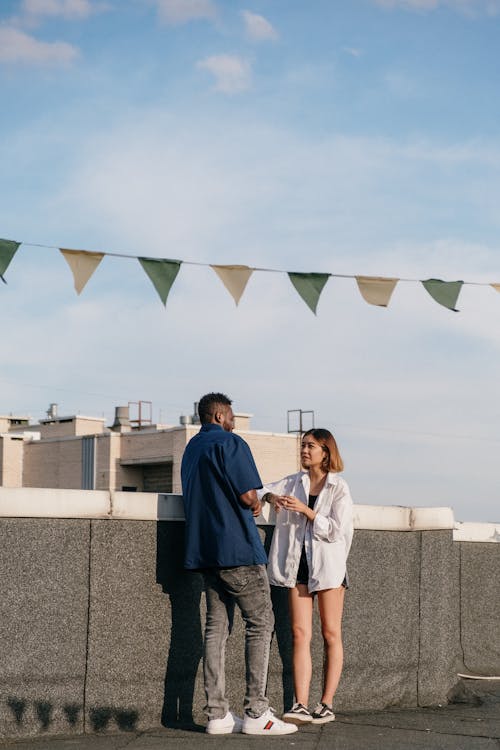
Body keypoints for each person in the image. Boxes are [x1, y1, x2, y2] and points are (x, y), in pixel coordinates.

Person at [181, 392, 297, 736]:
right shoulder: (230, 443)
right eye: (230, 413)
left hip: (204, 551)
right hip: (237, 549)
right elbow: (248, 495)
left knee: (216, 628)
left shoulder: (192, 449)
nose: (233, 419)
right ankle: (257, 712)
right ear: (219, 415)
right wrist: (258, 499)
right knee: (261, 623)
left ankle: (217, 714)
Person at [259, 428, 353, 725]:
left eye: (310, 446)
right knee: (300, 634)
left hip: (328, 568)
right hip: (296, 566)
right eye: (302, 445)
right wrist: (273, 496)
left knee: (331, 633)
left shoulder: (339, 488)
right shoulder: (291, 482)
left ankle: (326, 703)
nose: (304, 450)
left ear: (326, 451)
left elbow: (338, 530)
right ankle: (300, 703)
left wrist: (306, 512)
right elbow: (260, 489)